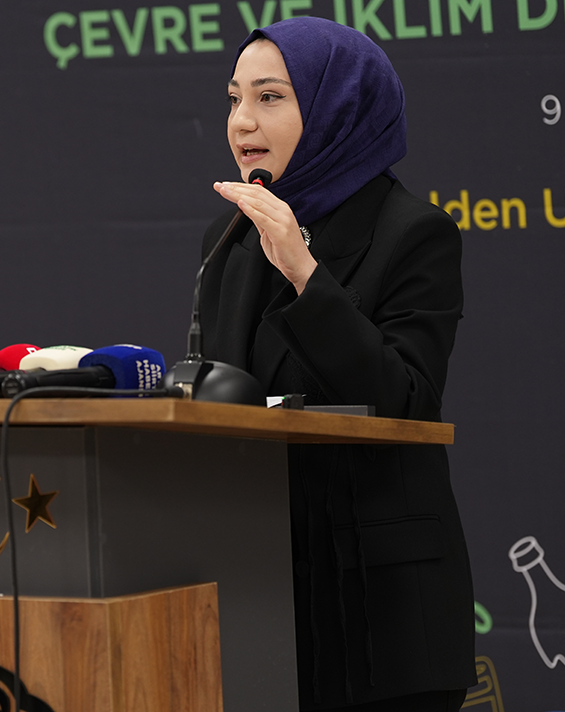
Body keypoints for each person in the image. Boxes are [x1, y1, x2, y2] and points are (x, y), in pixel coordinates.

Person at [199, 17, 477, 712]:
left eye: (269, 97)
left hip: (380, 610)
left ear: (338, 107)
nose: (241, 121)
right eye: (234, 98)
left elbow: (405, 401)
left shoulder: (415, 233)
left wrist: (304, 272)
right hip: (262, 597)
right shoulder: (229, 239)